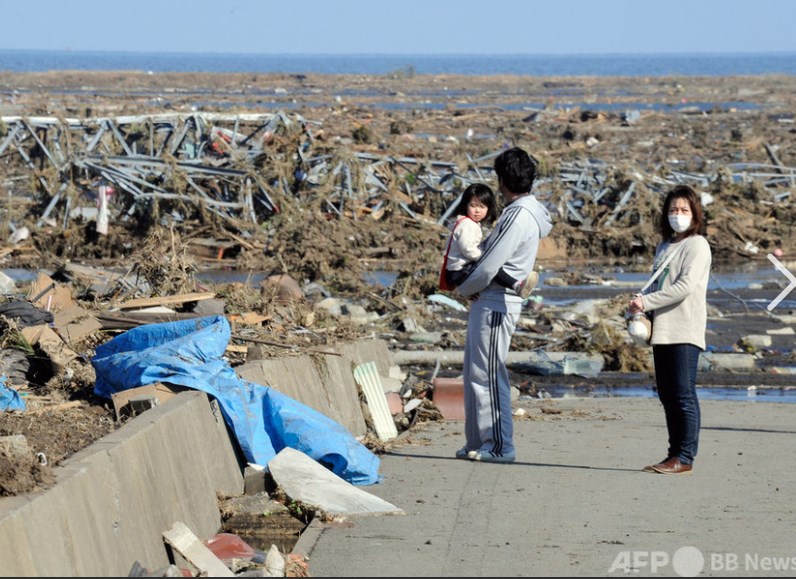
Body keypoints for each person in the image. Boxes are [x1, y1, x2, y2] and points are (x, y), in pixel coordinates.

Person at [453, 147, 554, 463]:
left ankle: (499, 445)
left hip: (497, 301)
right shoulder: (523, 211)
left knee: (488, 374)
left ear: (502, 180)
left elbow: (488, 263)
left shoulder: (518, 215)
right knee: (475, 371)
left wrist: (463, 287)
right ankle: (478, 441)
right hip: (492, 299)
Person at [628, 184, 712, 475]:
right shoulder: (665, 246)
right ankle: (673, 453)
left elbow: (684, 287)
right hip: (662, 329)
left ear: (695, 214)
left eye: (684, 210)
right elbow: (659, 284)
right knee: (666, 394)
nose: (678, 215)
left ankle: (685, 456)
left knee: (683, 393)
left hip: (685, 328)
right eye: (673, 210)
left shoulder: (697, 245)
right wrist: (641, 309)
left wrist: (646, 300)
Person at [440, 182, 538, 298]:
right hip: (458, 271)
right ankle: (516, 285)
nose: (477, 211)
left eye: (482, 207)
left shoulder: (469, 223)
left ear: (488, 208)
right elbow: (468, 249)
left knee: (489, 267)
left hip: (458, 271)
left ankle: (473, 290)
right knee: (492, 267)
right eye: (473, 206)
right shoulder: (467, 225)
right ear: (465, 205)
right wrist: (485, 257)